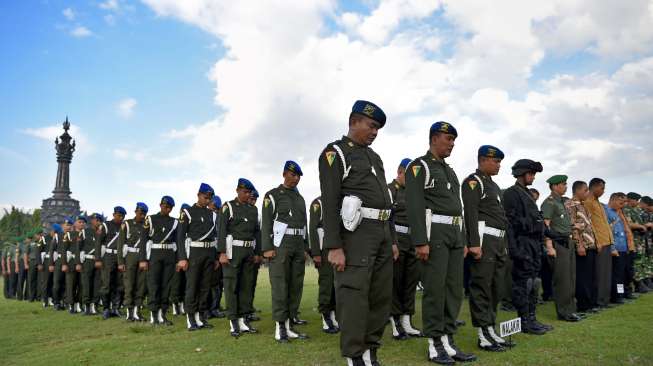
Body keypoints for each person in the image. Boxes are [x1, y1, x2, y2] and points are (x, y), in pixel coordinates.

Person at [319, 100, 395, 366]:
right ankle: (354, 356)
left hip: (383, 232)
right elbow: (329, 203)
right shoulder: (335, 153)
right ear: (354, 121)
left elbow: (386, 201)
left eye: (378, 128)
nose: (375, 132)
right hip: (356, 235)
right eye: (371, 125)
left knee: (380, 296)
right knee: (354, 296)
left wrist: (392, 239)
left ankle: (370, 351)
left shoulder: (375, 157)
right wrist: (334, 246)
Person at [405, 121, 476, 364]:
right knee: (435, 290)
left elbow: (459, 208)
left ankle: (448, 340)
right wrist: (420, 241)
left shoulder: (449, 170)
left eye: (454, 140)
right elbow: (413, 205)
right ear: (435, 138)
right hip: (434, 233)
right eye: (448, 139)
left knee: (454, 289)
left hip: (455, 234)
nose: (452, 144)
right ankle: (435, 343)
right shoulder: (419, 166)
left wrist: (465, 238)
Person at [462, 145, 513, 352]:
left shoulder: (493, 185)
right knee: (482, 286)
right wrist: (474, 243)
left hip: (499, 242)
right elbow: (471, 213)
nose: (499, 165)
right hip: (484, 240)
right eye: (495, 161)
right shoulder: (474, 182)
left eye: (500, 161)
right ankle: (483, 333)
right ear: (483, 160)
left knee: (496, 287)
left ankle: (490, 327)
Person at [262, 161, 310, 342]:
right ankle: (280, 327)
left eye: (298, 176)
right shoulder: (272, 195)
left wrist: (306, 247)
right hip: (280, 245)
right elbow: (266, 222)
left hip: (298, 244)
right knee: (281, 286)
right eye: (293, 175)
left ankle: (290, 326)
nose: (296, 178)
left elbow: (304, 224)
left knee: (295, 286)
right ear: (284, 174)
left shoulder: (300, 198)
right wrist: (267, 248)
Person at [503, 159, 551, 335]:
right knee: (523, 284)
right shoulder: (511, 193)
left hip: (533, 244)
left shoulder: (527, 194)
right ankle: (524, 321)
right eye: (530, 173)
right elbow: (510, 222)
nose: (532, 177)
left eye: (534, 174)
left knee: (534, 282)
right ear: (521, 174)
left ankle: (532, 318)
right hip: (521, 243)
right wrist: (515, 250)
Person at [218, 178, 261, 337]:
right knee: (231, 287)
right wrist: (222, 252)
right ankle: (233, 321)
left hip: (249, 252)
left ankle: (244, 320)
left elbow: (257, 232)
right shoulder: (228, 207)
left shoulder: (253, 209)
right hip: (232, 252)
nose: (247, 195)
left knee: (246, 287)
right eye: (244, 192)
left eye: (249, 192)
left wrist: (257, 252)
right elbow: (221, 230)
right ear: (237, 190)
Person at [387, 158, 422, 341]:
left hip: (413, 239)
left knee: (411, 283)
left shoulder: (415, 193)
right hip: (396, 240)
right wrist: (391, 242)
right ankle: (395, 324)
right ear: (400, 172)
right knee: (395, 282)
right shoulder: (389, 190)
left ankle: (407, 321)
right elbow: (386, 218)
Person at [177, 183, 220, 331]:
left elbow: (215, 237)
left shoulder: (213, 215)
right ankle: (191, 318)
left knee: (205, 287)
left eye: (209, 198)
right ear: (198, 194)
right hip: (194, 253)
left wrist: (215, 258)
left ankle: (201, 317)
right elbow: (180, 236)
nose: (207, 200)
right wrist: (182, 258)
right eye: (205, 197)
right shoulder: (187, 212)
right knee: (192, 286)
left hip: (209, 253)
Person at [541, 175, 581, 322]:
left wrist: (572, 227)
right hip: (558, 244)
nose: (565, 186)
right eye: (563, 184)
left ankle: (571, 309)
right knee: (562, 279)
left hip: (568, 242)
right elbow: (545, 226)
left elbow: (561, 223)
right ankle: (564, 312)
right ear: (555, 186)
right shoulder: (549, 203)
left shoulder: (562, 202)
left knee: (570, 278)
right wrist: (549, 246)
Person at [139, 196, 178, 325]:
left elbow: (178, 241)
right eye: (164, 205)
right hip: (154, 254)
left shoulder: (175, 222)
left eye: (168, 207)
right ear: (160, 205)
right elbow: (143, 240)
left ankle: (162, 314)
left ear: (171, 208)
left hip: (169, 255)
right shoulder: (150, 219)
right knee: (153, 284)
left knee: (166, 286)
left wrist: (178, 260)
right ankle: (153, 314)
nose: (166, 208)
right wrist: (143, 259)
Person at [564, 181, 599, 313]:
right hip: (582, 246)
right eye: (585, 190)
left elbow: (588, 227)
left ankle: (591, 303)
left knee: (590, 277)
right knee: (582, 278)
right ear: (577, 191)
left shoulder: (583, 205)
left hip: (590, 245)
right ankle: (583, 305)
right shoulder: (570, 205)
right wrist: (579, 245)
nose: (587, 193)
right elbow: (573, 228)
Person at [583, 178, 616, 309]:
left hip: (606, 241)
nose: (603, 191)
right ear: (594, 187)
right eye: (601, 188)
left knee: (606, 273)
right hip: (599, 243)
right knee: (599, 274)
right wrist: (596, 241)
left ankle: (605, 300)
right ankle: (599, 301)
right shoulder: (588, 202)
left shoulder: (599, 203)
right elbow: (589, 225)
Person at [309, 196, 339, 334]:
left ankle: (333, 315)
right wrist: (315, 253)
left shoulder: (340, 201)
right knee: (327, 283)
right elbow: (313, 229)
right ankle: (325, 316)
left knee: (336, 284)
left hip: (338, 248)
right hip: (324, 249)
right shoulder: (319, 203)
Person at [118, 202, 149, 321]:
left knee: (141, 285)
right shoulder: (127, 224)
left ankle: (137, 311)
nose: (141, 215)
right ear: (136, 211)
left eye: (144, 213)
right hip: (130, 255)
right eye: (140, 212)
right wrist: (120, 262)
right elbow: (121, 243)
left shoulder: (147, 225)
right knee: (129, 284)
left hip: (142, 256)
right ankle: (129, 312)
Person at [97, 206, 126, 319]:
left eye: (122, 216)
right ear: (114, 214)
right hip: (108, 256)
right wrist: (98, 259)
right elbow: (99, 243)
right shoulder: (106, 225)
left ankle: (116, 308)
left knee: (119, 283)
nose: (120, 217)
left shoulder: (124, 226)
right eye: (119, 215)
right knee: (106, 283)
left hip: (120, 256)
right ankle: (106, 309)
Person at [604, 193, 632, 304]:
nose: (623, 205)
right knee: (617, 275)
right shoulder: (606, 212)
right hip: (615, 249)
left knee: (623, 273)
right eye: (621, 202)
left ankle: (622, 293)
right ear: (613, 200)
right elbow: (607, 232)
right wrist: (612, 248)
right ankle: (617, 296)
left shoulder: (619, 212)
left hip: (623, 247)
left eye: (624, 202)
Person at [623, 192, 650, 294]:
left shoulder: (636, 211)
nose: (638, 202)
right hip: (633, 241)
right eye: (636, 200)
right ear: (631, 200)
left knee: (640, 262)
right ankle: (638, 284)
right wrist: (641, 226)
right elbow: (628, 224)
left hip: (640, 241)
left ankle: (642, 282)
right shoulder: (626, 210)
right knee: (635, 263)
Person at [207, 195, 226, 319]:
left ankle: (214, 308)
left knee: (218, 284)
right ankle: (209, 309)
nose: (215, 210)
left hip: (216, 255)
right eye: (214, 207)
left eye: (217, 208)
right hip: (208, 255)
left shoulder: (218, 218)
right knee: (209, 285)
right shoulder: (207, 218)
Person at [170, 203, 191, 316]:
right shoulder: (176, 224)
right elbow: (175, 243)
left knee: (185, 283)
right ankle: (174, 305)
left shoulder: (191, 223)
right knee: (176, 283)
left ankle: (182, 305)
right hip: (178, 258)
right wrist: (178, 260)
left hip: (189, 258)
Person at [78, 214, 99, 315]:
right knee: (86, 284)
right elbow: (79, 248)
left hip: (99, 262)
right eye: (94, 220)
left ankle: (94, 306)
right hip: (87, 261)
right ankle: (86, 306)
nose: (96, 222)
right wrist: (79, 262)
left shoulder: (102, 232)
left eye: (98, 220)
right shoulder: (84, 232)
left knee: (96, 284)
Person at [61, 217, 82, 313]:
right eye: (79, 222)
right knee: (70, 285)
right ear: (75, 224)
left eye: (83, 222)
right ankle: (71, 305)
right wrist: (64, 263)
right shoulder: (69, 235)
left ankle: (78, 304)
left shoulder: (86, 234)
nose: (81, 224)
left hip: (83, 262)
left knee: (81, 284)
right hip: (71, 262)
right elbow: (64, 250)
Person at [49, 222, 66, 310]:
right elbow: (52, 251)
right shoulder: (57, 236)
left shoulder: (67, 235)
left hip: (65, 261)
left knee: (62, 283)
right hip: (59, 261)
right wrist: (51, 264)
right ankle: (57, 302)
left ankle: (62, 301)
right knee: (57, 283)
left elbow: (52, 250)